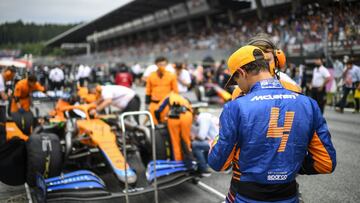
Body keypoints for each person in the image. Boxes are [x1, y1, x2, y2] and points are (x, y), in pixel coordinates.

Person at [208, 45, 336, 203]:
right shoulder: (308, 104)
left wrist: (215, 140)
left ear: (241, 73)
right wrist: (291, 163)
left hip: (247, 196)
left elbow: (218, 163)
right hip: (289, 195)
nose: (237, 85)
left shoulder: (236, 107)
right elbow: (326, 163)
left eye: (235, 80)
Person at [153, 92, 192, 161]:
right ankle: (189, 160)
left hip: (174, 116)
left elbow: (158, 110)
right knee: (186, 140)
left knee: (175, 142)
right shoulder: (182, 98)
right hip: (187, 115)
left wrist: (159, 121)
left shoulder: (168, 97)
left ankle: (178, 162)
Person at [145, 57, 178, 123]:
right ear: (156, 64)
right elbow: (148, 90)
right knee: (154, 122)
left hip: (165, 104)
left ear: (166, 65)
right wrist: (147, 103)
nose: (162, 66)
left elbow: (175, 90)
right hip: (154, 103)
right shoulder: (151, 75)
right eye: (160, 64)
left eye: (164, 64)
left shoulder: (171, 75)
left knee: (165, 121)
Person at [191, 108, 218, 177]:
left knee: (195, 145)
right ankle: (206, 163)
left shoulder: (203, 118)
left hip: (218, 142)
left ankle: (203, 169)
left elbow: (201, 136)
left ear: (194, 116)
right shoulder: (205, 116)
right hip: (217, 139)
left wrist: (192, 137)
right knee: (201, 144)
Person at [0, 67, 16, 145]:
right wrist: (9, 94)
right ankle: (3, 146)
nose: (10, 79)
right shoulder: (0, 80)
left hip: (1, 105)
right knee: (2, 128)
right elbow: (4, 97)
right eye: (11, 77)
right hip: (0, 107)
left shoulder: (2, 80)